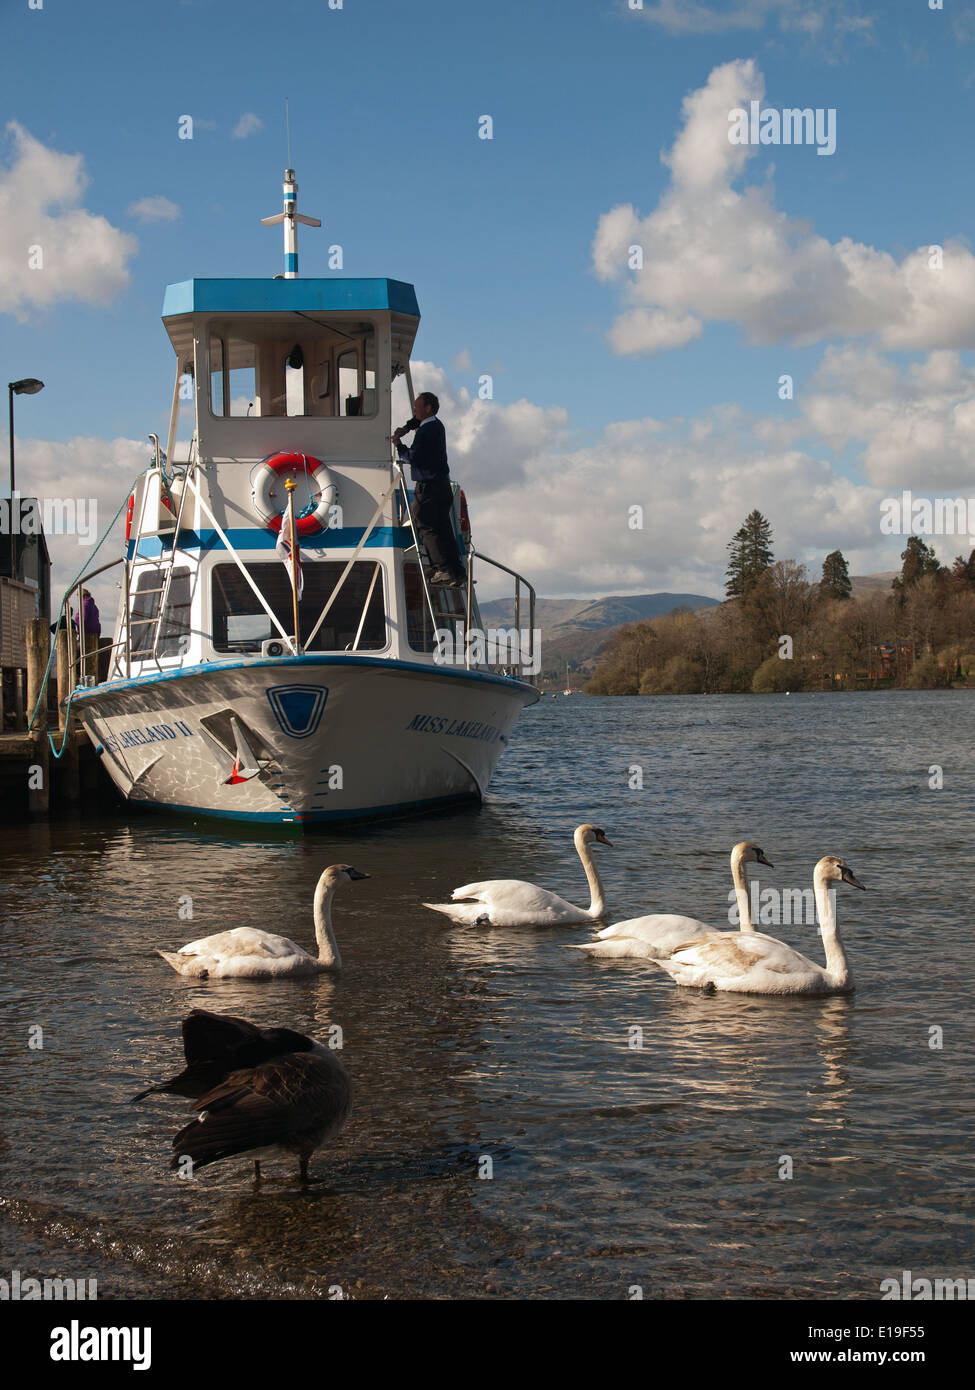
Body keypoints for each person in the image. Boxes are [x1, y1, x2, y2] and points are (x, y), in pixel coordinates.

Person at [392, 392, 465, 587]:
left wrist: (399, 446)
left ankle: (441, 568)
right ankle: (456, 571)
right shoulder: (436, 425)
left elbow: (413, 457)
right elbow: (417, 421)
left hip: (429, 487)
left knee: (424, 523)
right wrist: (407, 428)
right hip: (442, 485)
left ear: (428, 408)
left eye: (417, 407)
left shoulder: (426, 432)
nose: (414, 411)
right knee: (443, 528)